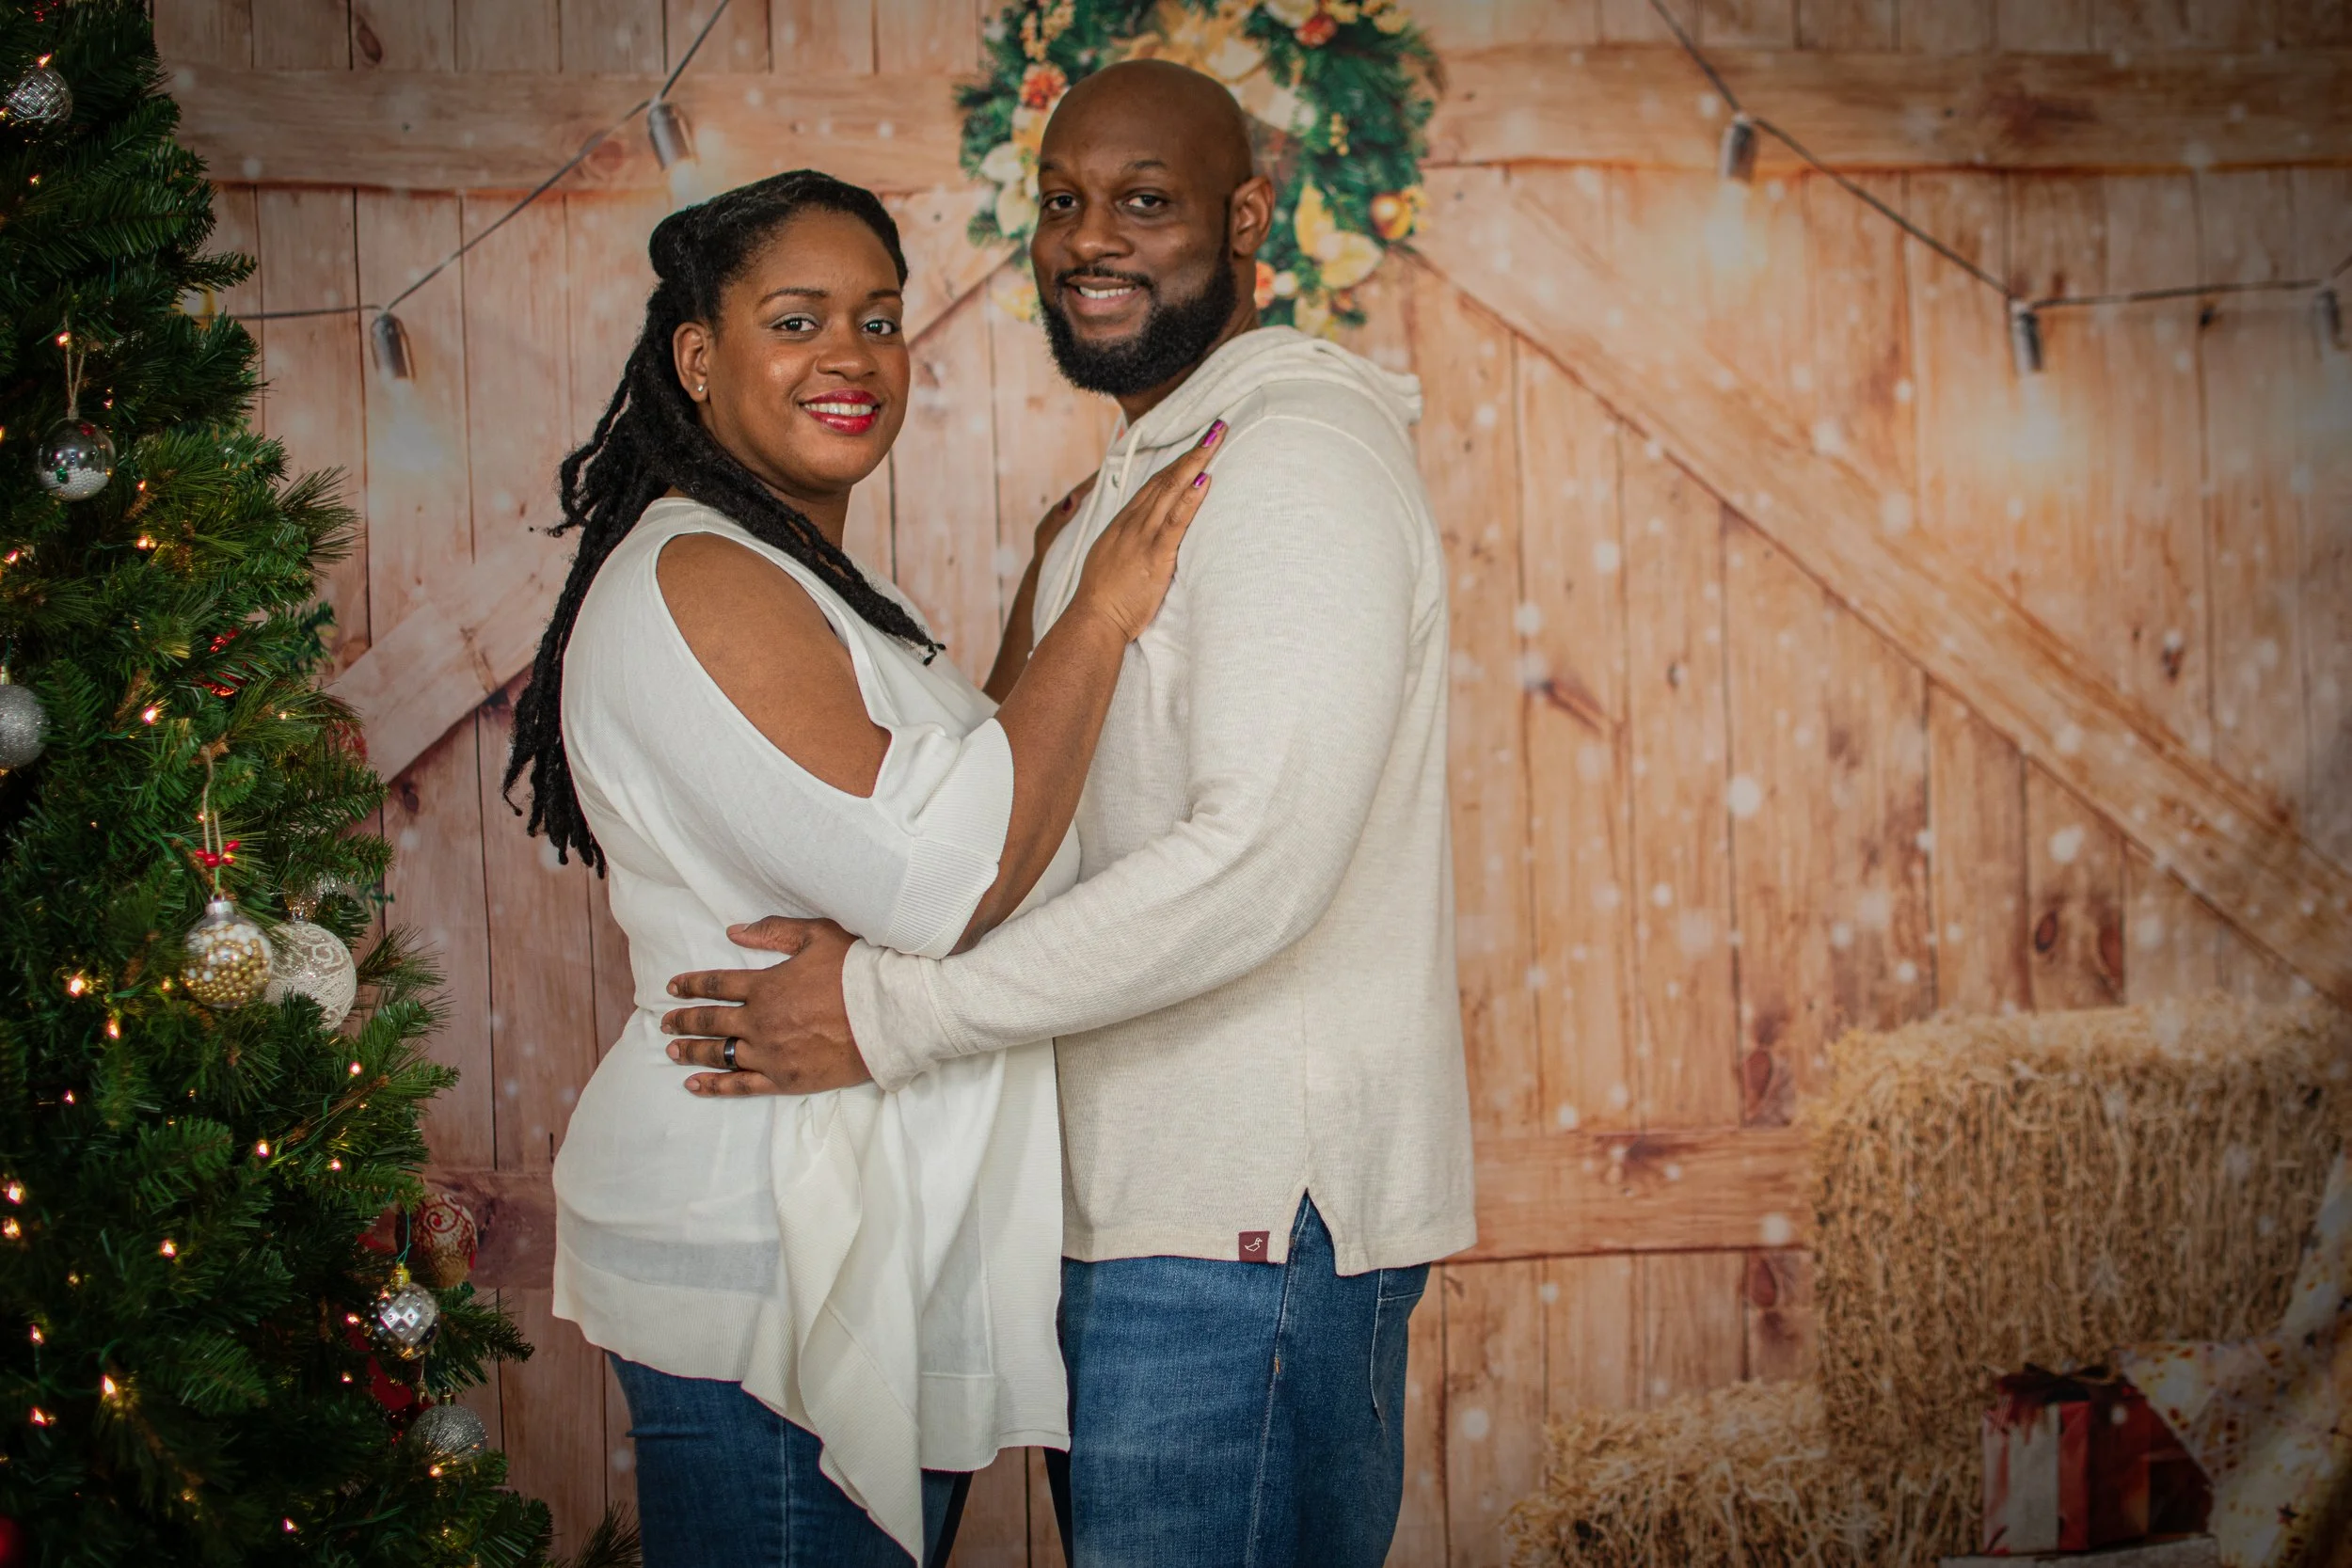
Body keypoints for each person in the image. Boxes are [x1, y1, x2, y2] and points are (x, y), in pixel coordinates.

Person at [656, 62, 1476, 1566]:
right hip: (1125, 1222)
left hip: (1237, 1239)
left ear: (1244, 219)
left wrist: (891, 1014)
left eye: (1145, 202)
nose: (1090, 239)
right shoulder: (1140, 479)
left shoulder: (1292, 460)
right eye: (1061, 203)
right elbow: (1005, 827)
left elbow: (1254, 867)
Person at [501, 168, 1217, 1567]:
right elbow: (942, 882)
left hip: (867, 1248)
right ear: (697, 359)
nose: (851, 355)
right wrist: (1106, 611)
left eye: (880, 320)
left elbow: (983, 790)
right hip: (769, 1259)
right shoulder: (696, 576)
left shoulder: (811, 585)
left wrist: (1046, 582)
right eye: (797, 319)